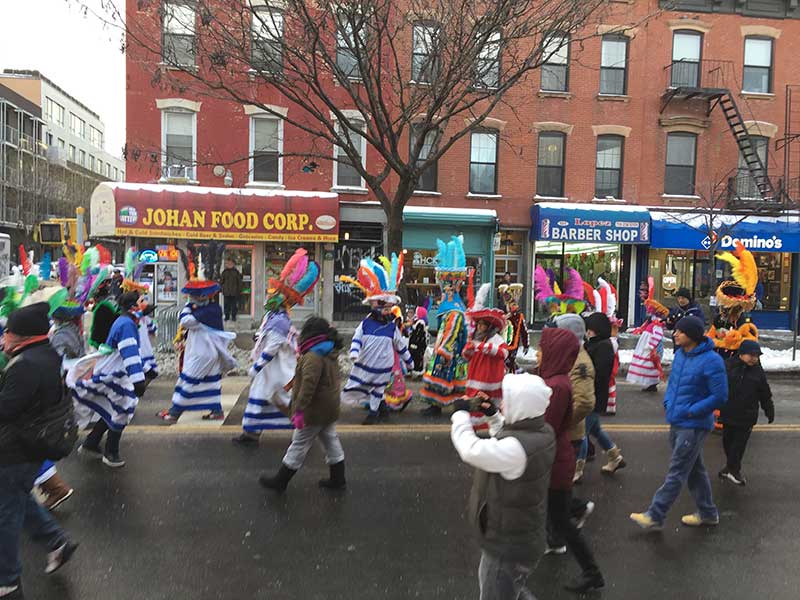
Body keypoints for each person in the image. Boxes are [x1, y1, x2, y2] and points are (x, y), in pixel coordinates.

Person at [450, 373, 555, 600]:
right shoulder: (543, 432)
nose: (503, 403)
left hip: (507, 548)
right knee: (511, 588)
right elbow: (506, 440)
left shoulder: (517, 450)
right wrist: (493, 415)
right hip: (524, 540)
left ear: (522, 407)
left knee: (497, 591)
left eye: (508, 400)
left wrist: (460, 414)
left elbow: (470, 449)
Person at [0, 303, 80, 598]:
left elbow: (6, 409)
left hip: (15, 450)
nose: (4, 338)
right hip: (32, 447)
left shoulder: (26, 366)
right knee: (17, 499)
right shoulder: (45, 355)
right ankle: (57, 543)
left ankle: (7, 581)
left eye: (8, 333)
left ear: (23, 337)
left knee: (5, 514)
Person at [630, 315, 728, 530]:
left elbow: (720, 396)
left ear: (692, 335)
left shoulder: (712, 360)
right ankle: (708, 512)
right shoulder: (682, 355)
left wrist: (693, 411)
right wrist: (668, 401)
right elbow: (674, 383)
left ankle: (655, 514)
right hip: (677, 419)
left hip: (693, 425)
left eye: (680, 331)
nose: (675, 334)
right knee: (694, 469)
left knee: (677, 470)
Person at [538, 327, 605, 593]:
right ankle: (569, 521)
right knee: (558, 515)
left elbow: (547, 427)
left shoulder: (558, 385)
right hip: (556, 459)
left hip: (557, 462)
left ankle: (592, 573)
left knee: (562, 520)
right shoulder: (553, 379)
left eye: (543, 348)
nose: (538, 352)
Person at [233, 249, 319, 444]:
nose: (268, 295)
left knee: (281, 398)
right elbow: (265, 337)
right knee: (260, 396)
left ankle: (305, 430)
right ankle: (251, 432)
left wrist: (257, 366)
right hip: (270, 370)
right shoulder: (272, 316)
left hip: (278, 369)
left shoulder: (279, 320)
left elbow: (273, 346)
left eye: (273, 293)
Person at [259, 317, 346, 493]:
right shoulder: (327, 351)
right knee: (330, 440)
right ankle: (338, 478)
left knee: (298, 444)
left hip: (314, 410)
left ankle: (280, 481)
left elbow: (308, 386)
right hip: (328, 408)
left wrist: (299, 410)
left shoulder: (313, 356)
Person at [72, 291, 148, 467]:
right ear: (132, 307)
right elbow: (129, 352)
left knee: (111, 408)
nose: (144, 303)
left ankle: (91, 443)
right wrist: (138, 380)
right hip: (115, 374)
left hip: (112, 371)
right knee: (123, 410)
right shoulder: (127, 325)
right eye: (141, 301)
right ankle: (111, 452)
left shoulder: (125, 321)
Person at [340, 254, 412, 424]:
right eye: (384, 308)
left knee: (378, 389)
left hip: (384, 366)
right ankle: (382, 409)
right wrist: (354, 352)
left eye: (390, 308)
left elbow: (400, 345)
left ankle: (374, 413)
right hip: (367, 364)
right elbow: (357, 338)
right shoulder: (366, 323)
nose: (388, 311)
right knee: (366, 387)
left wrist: (409, 361)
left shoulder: (391, 326)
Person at [159, 277, 237, 423]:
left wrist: (188, 307)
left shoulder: (208, 311)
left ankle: (174, 412)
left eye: (193, 295)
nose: (190, 298)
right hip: (207, 352)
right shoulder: (211, 308)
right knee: (211, 382)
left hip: (203, 354)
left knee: (188, 381)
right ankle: (216, 411)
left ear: (202, 296)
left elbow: (185, 321)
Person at [421, 236, 469, 416]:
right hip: (451, 350)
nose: (442, 291)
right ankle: (455, 407)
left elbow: (451, 331)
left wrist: (443, 349)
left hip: (449, 351)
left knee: (442, 377)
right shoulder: (454, 306)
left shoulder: (454, 310)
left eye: (444, 288)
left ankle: (436, 407)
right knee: (452, 379)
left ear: (450, 289)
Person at [718, 340, 774, 486]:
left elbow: (765, 393)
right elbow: (716, 384)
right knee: (727, 442)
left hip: (747, 415)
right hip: (728, 412)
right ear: (741, 354)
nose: (753, 358)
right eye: (750, 355)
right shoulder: (728, 366)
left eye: (756, 356)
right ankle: (729, 468)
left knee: (739, 444)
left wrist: (769, 409)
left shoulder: (758, 372)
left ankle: (734, 470)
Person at [553, 314, 595, 486]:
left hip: (569, 436)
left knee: (561, 487)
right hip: (562, 434)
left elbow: (585, 402)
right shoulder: (567, 354)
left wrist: (563, 423)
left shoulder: (579, 361)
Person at [583, 312, 626, 475]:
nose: (588, 333)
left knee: (582, 434)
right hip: (593, 394)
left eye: (590, 330)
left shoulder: (603, 347)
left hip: (594, 395)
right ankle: (615, 458)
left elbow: (599, 373)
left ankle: (576, 469)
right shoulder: (594, 344)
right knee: (595, 430)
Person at [627, 277, 668, 392]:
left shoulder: (657, 323)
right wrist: (639, 329)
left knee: (651, 363)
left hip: (652, 347)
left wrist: (650, 346)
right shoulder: (652, 320)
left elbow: (657, 335)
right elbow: (646, 324)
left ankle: (652, 383)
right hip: (648, 342)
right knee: (648, 362)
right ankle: (649, 382)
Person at [499, 283, 528, 373]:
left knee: (510, 361)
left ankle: (511, 374)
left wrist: (525, 344)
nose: (514, 306)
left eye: (515, 305)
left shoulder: (519, 316)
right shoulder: (502, 312)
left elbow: (523, 330)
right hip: (502, 342)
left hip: (513, 342)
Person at [408, 306, 428, 378]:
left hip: (416, 346)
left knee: (416, 358)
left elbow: (418, 336)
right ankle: (416, 371)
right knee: (417, 358)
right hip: (417, 346)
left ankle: (417, 371)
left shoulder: (420, 324)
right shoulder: (419, 323)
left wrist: (413, 343)